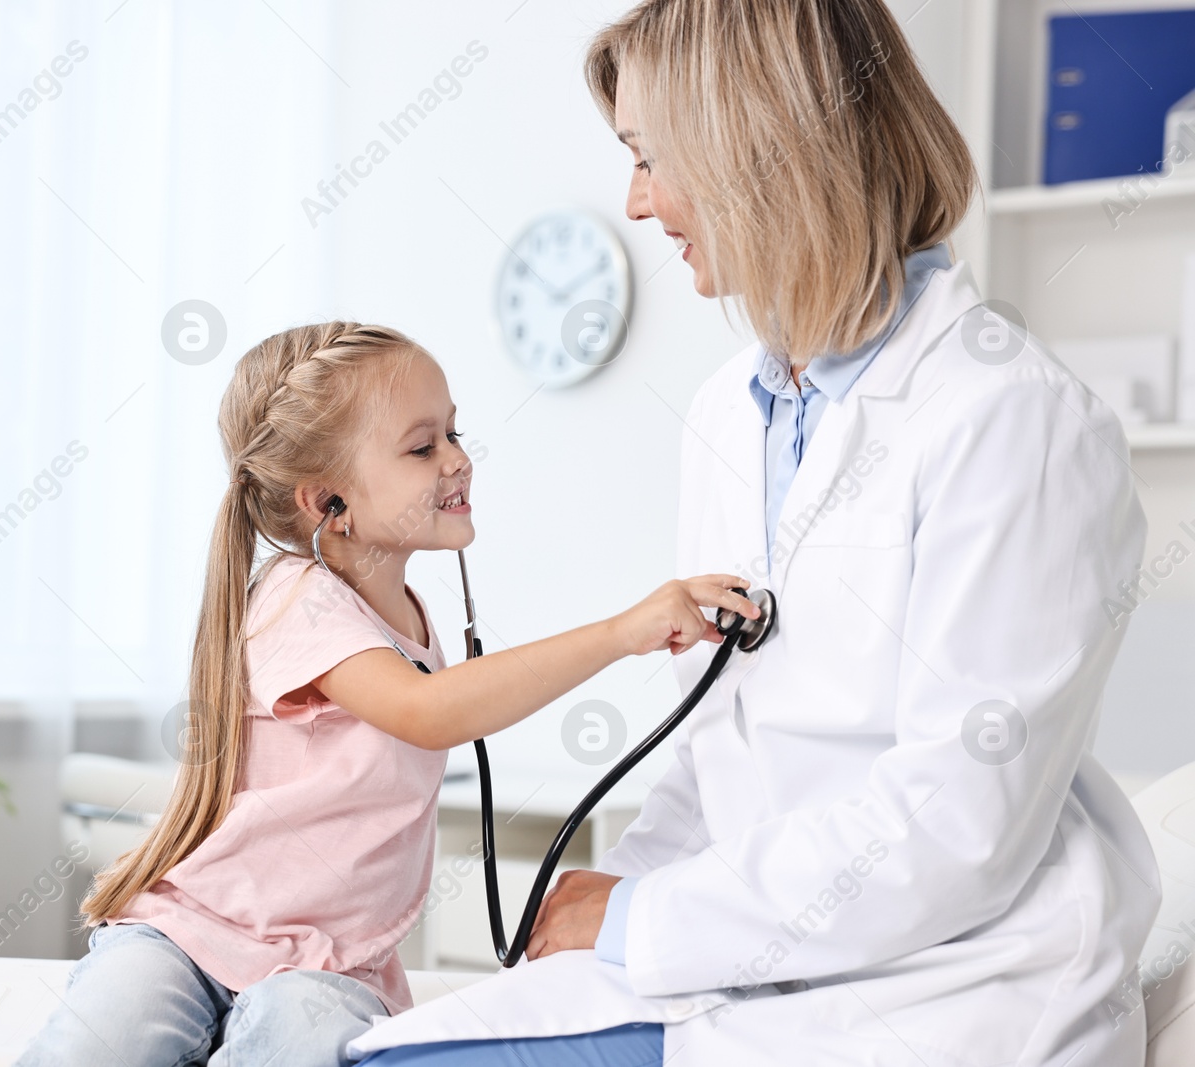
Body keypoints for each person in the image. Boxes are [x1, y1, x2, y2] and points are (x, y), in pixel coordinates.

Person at [350, 1, 1161, 1064]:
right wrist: (615, 904)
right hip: (750, 970)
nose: (636, 205)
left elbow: (958, 821)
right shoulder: (731, 408)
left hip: (946, 991)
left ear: (759, 151)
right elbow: (720, 739)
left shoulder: (1012, 418)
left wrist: (643, 920)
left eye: (648, 158)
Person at [14, 320, 760, 1067]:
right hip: (194, 928)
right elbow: (429, 713)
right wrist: (621, 630)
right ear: (327, 502)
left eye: (454, 433)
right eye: (422, 446)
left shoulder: (410, 621)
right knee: (110, 1030)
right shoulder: (296, 597)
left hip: (332, 963)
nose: (459, 460)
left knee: (296, 1030)